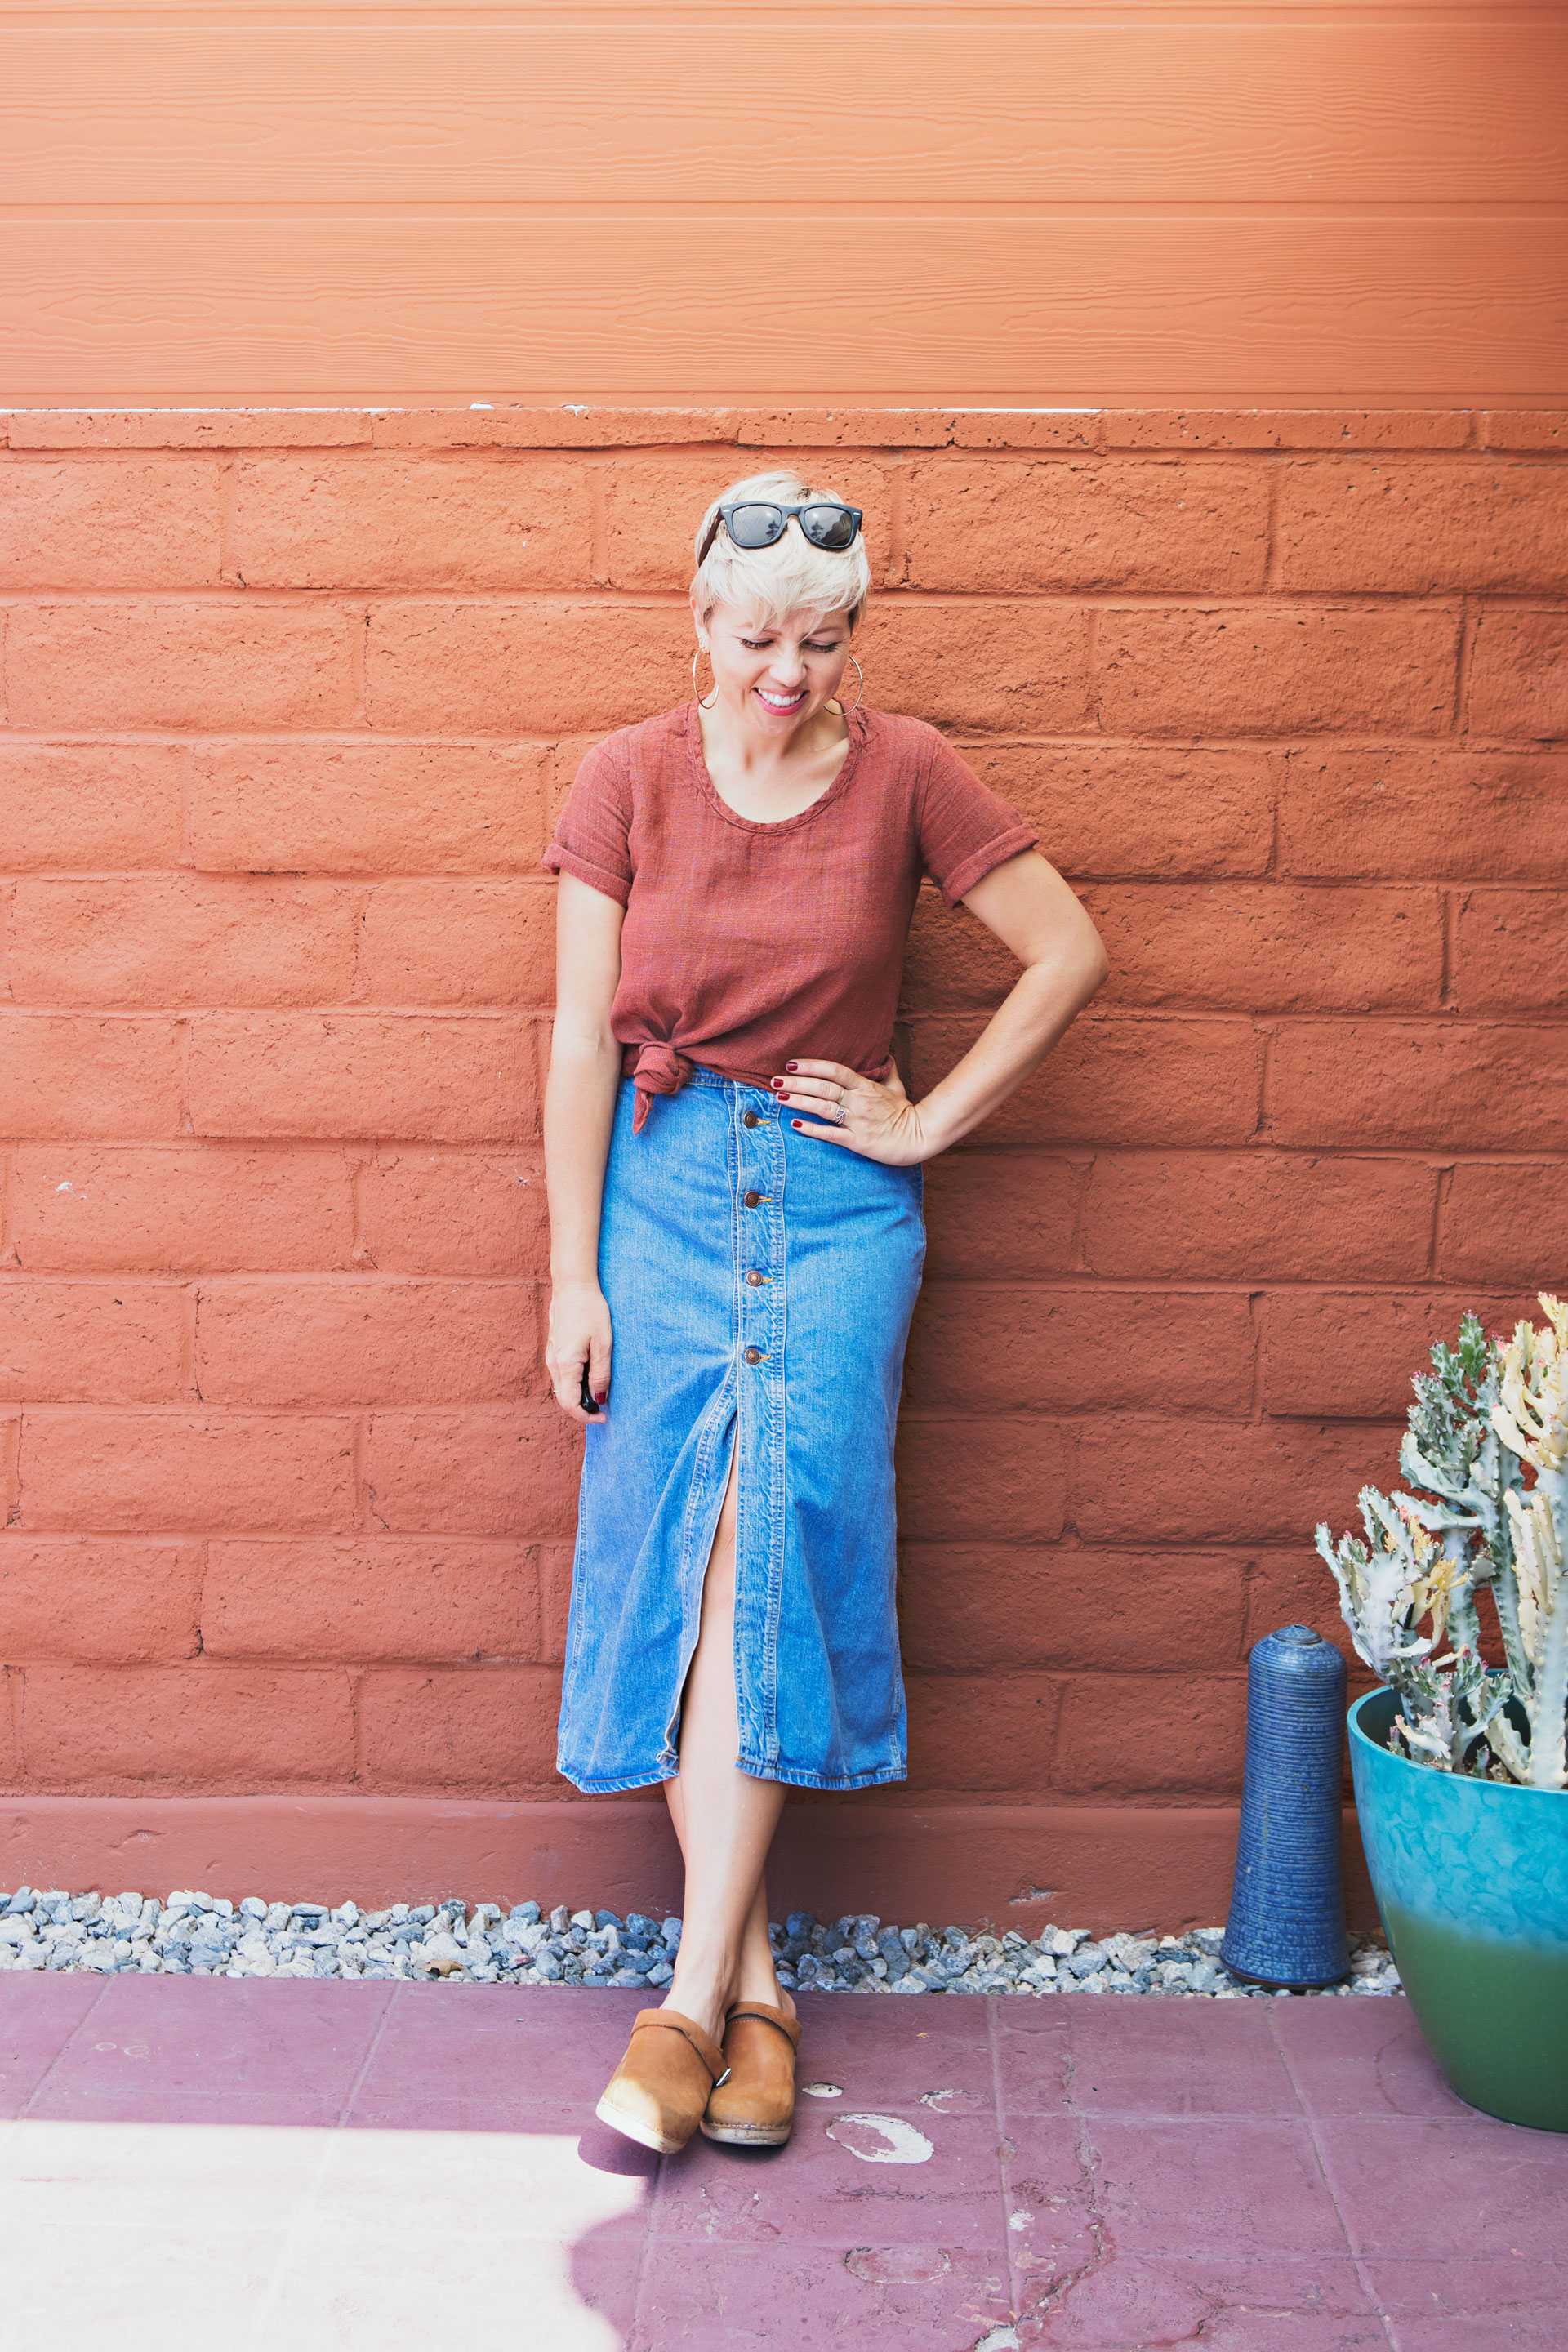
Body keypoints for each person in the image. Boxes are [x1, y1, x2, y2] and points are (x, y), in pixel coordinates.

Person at [541, 472, 1107, 2155]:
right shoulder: (627, 776)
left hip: (840, 1200)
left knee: (776, 1549)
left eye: (828, 639)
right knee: (683, 1557)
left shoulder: (911, 771)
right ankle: (754, 1988)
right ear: (701, 623)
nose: (792, 671)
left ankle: (685, 2005)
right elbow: (580, 1040)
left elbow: (1066, 952)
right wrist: (574, 1270)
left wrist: (930, 1122)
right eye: (761, 637)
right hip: (661, 1190)